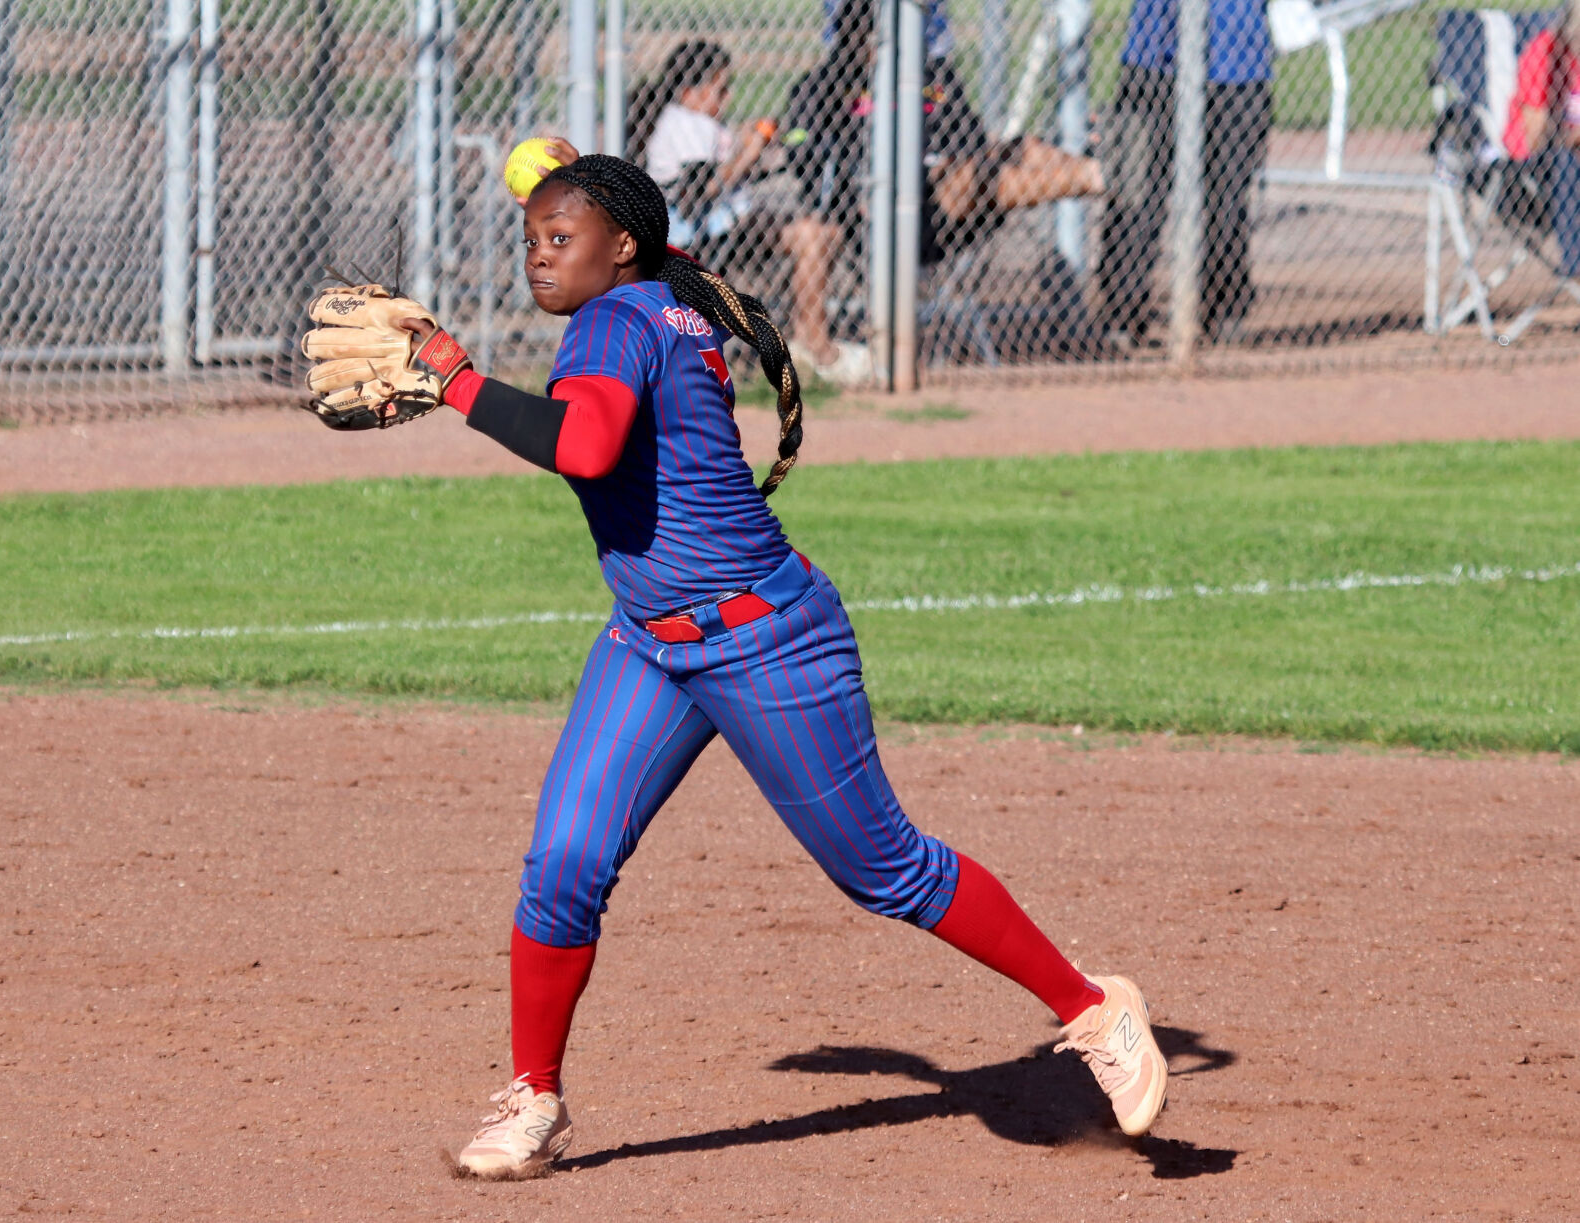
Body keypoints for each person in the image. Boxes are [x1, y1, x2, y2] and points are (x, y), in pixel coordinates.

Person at [299, 154, 1168, 1181]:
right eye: (529, 237)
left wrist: (455, 377)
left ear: (620, 247)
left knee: (884, 869)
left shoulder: (617, 323)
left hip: (768, 642)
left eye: (560, 236)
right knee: (565, 862)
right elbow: (625, 340)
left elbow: (583, 446)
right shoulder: (662, 294)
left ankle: (1090, 1005)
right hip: (649, 644)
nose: (537, 254)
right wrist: (578, 214)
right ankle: (533, 1092)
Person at [782, 0, 1104, 377]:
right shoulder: (822, 86)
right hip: (868, 220)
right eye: (860, 34)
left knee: (1014, 149)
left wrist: (938, 161)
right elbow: (802, 153)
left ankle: (1099, 172)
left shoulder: (930, 78)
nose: (868, 43)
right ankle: (1097, 177)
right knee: (978, 176)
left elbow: (971, 140)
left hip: (944, 211)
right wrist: (854, 188)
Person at [1095, 0, 1273, 347]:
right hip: (1152, 64)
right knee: (1135, 195)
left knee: (1227, 203)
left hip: (1236, 66)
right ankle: (1121, 314)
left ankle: (1225, 310)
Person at [627, 40, 777, 252]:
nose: (729, 96)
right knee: (805, 234)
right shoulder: (688, 123)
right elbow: (698, 191)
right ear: (689, 94)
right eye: (722, 90)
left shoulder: (683, 120)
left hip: (712, 228)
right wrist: (747, 155)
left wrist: (743, 145)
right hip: (695, 236)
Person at [1501, 1, 1580, 282]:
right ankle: (1575, 261)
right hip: (1530, 167)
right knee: (1566, 157)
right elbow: (1536, 137)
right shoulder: (1545, 52)